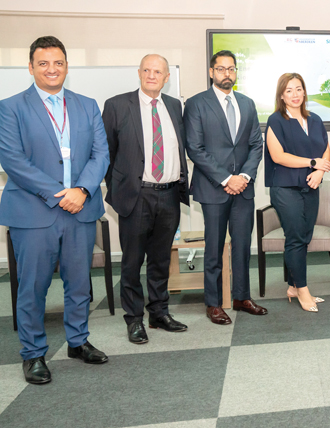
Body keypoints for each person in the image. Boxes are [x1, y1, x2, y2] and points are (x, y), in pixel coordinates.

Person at [0, 36, 110, 385]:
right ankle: (33, 353)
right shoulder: (10, 107)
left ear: (66, 66)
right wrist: (58, 194)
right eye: (44, 63)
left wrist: (80, 190)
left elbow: (100, 155)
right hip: (33, 212)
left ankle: (78, 341)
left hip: (81, 208)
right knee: (33, 286)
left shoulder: (87, 105)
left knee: (79, 284)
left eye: (58, 62)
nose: (52, 69)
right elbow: (13, 161)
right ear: (31, 67)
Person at [103, 54, 189, 344]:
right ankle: (134, 319)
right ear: (139, 73)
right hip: (136, 196)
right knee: (132, 262)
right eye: (147, 70)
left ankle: (159, 312)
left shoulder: (175, 106)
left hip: (169, 196)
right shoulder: (117, 105)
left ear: (167, 78)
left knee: (160, 260)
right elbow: (106, 155)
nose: (152, 75)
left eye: (158, 72)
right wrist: (117, 191)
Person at [184, 49, 268, 324]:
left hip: (243, 188)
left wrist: (243, 177)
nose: (226, 74)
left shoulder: (247, 103)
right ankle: (213, 302)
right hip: (214, 188)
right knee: (214, 248)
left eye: (231, 69)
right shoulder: (197, 104)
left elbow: (257, 144)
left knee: (243, 246)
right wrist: (225, 179)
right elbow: (195, 148)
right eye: (221, 69)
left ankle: (241, 297)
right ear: (211, 72)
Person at [264, 73, 330, 312]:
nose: (294, 94)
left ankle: (293, 286)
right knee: (295, 239)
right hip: (285, 188)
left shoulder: (314, 119)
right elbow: (278, 156)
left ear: (304, 92)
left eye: (298, 89)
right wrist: (312, 163)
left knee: (305, 237)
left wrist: (319, 172)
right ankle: (303, 290)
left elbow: (326, 151)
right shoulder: (275, 120)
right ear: (282, 95)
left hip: (311, 186)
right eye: (289, 90)